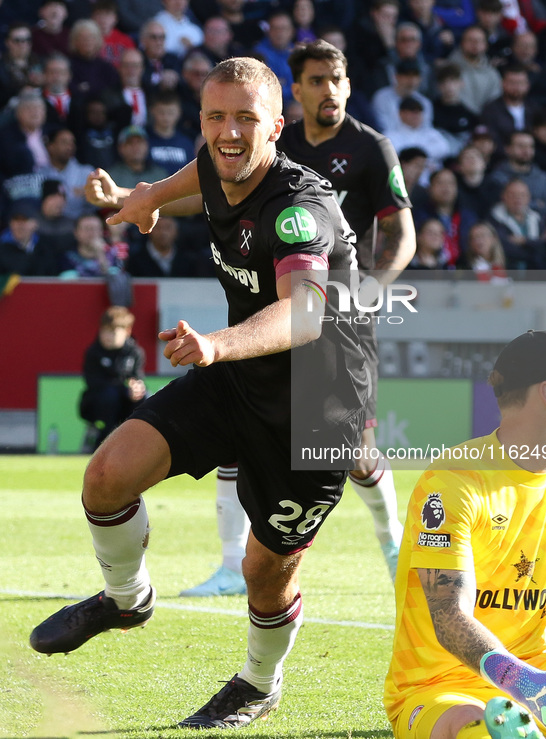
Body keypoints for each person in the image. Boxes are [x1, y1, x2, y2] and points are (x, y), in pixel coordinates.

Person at [30, 56, 368, 730]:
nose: (228, 132)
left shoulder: (301, 208)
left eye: (246, 118)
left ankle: (257, 682)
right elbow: (201, 174)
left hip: (315, 411)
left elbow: (303, 313)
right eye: (216, 117)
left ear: (277, 126)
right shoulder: (218, 159)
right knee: (106, 476)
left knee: (262, 571)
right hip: (238, 378)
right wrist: (148, 196)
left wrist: (217, 343)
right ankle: (127, 599)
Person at [181, 39, 416, 597]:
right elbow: (208, 184)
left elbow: (402, 231)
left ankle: (392, 543)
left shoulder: (371, 148)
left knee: (351, 452)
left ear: (348, 86)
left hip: (335, 320)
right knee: (237, 428)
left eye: (337, 79)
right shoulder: (257, 141)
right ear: (298, 91)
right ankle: (229, 564)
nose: (329, 90)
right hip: (269, 310)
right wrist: (147, 200)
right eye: (317, 80)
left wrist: (374, 289)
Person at [384, 328, 546, 739]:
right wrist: (525, 685)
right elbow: (448, 616)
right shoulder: (452, 483)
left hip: (545, 680)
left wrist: (541, 684)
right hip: (441, 686)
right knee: (477, 727)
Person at [79, 306, 147, 453]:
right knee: (110, 395)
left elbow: (137, 377)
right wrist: (123, 388)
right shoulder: (93, 353)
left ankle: (138, 443)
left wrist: (136, 388)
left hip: (125, 402)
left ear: (127, 332)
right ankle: (101, 442)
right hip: (97, 404)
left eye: (113, 331)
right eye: (105, 331)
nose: (107, 336)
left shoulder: (135, 353)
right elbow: (93, 383)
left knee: (146, 397)